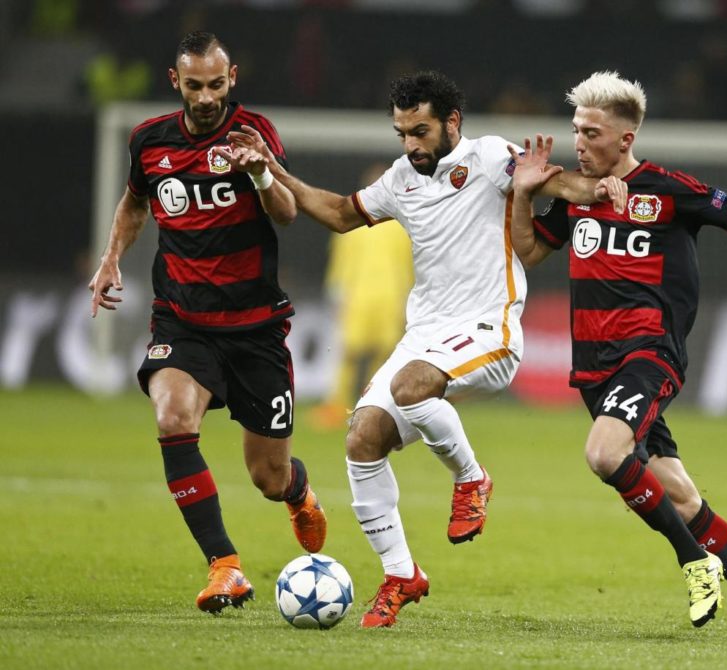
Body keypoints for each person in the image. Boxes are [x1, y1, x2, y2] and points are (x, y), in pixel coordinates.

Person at [222, 70, 622, 628]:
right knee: (362, 438)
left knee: (411, 385)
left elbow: (565, 187)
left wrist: (603, 187)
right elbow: (338, 214)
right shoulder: (399, 180)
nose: (411, 144)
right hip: (426, 336)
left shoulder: (490, 157)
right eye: (402, 133)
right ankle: (400, 574)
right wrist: (272, 169)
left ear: (451, 122)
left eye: (420, 131)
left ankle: (471, 478)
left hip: (489, 329)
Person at [508, 71, 727, 644]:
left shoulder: (667, 189)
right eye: (576, 130)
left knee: (603, 453)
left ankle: (693, 561)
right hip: (594, 370)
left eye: (591, 133)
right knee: (683, 499)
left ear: (626, 138)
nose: (579, 143)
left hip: (649, 353)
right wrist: (522, 194)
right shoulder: (577, 198)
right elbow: (530, 251)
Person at [88, 31, 327, 614]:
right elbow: (135, 201)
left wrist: (261, 173)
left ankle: (298, 492)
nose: (205, 97)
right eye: (193, 85)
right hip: (183, 320)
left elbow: (287, 213)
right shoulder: (150, 140)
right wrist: (111, 255)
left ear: (232, 78)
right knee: (172, 418)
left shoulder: (254, 133)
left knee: (268, 477)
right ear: (176, 81)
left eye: (215, 85)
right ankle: (225, 566)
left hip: (255, 326)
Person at [310, 163, 413, 431]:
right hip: (364, 296)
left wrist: (409, 299)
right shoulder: (362, 223)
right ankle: (339, 406)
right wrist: (337, 293)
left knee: (380, 355)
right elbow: (342, 262)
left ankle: (371, 407)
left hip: (386, 296)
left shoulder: (400, 224)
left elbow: (410, 265)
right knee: (350, 352)